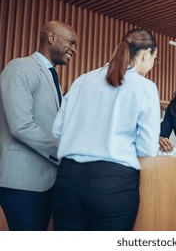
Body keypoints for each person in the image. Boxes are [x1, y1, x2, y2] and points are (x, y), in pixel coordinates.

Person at [51, 28, 160, 231]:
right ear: (147, 54)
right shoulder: (145, 87)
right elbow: (147, 148)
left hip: (68, 181)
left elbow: (57, 129)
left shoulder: (82, 80)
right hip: (113, 184)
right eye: (155, 57)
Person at [0, 20, 78, 230]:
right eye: (71, 42)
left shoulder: (53, 77)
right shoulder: (20, 67)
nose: (75, 49)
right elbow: (21, 126)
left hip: (48, 182)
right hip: (22, 183)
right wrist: (64, 151)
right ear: (52, 38)